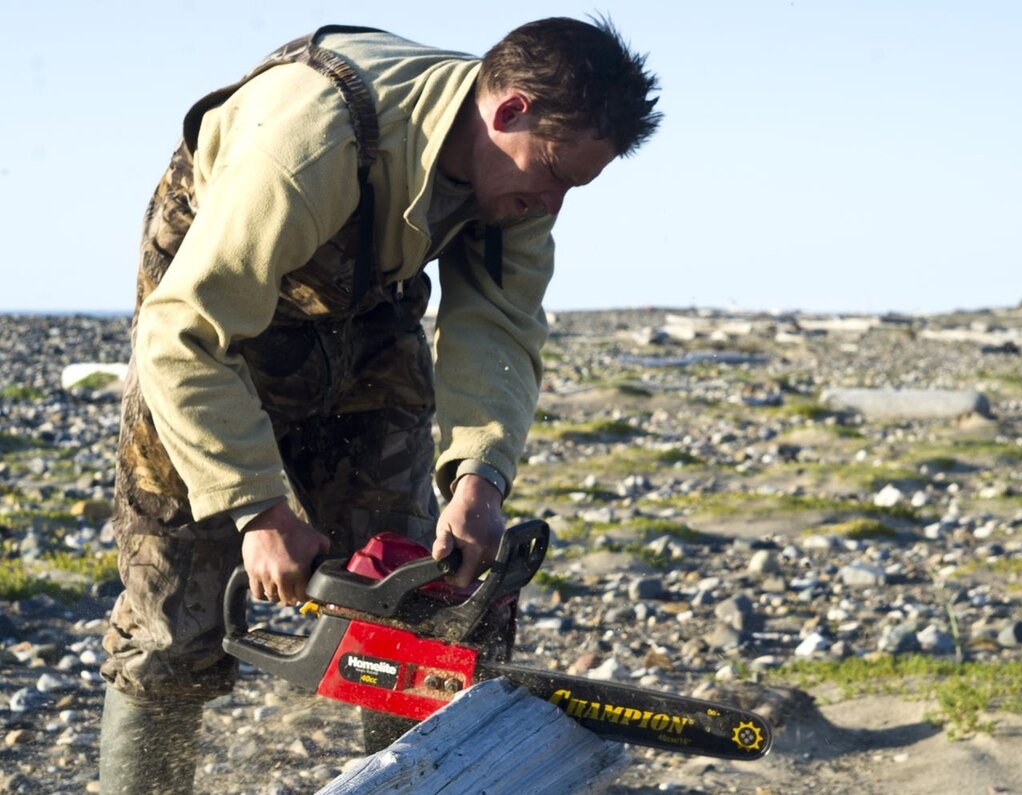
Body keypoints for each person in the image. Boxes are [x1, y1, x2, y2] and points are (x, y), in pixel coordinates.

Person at [97, 17, 660, 793]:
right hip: (211, 323)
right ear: (509, 111)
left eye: (575, 187)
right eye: (553, 173)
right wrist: (258, 508)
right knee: (175, 624)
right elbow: (181, 334)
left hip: (365, 307)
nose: (553, 203)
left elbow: (496, 330)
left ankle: (414, 779)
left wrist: (480, 479)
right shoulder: (307, 143)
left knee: (412, 590)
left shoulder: (519, 190)